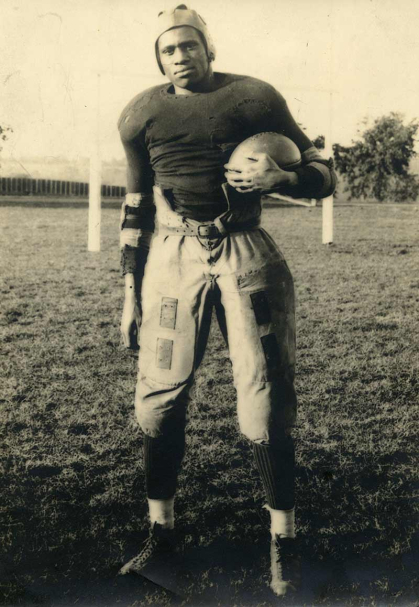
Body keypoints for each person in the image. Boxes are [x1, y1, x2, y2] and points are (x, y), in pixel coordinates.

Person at [117, 4, 336, 596]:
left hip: (244, 248)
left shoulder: (255, 96)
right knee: (158, 397)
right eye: (168, 50)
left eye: (189, 46)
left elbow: (323, 167)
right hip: (171, 256)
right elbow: (135, 206)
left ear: (208, 48)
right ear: (157, 58)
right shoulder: (141, 112)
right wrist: (128, 292)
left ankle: (283, 541)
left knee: (264, 397)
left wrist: (286, 179)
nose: (180, 57)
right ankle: (161, 537)